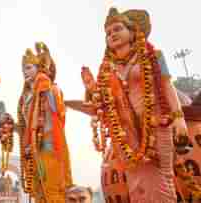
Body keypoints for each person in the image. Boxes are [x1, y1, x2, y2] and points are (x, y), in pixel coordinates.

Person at [79, 8, 188, 202]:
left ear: (132, 31)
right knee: (136, 185)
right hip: (125, 133)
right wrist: (91, 89)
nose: (112, 34)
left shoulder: (154, 56)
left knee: (160, 181)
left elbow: (167, 85)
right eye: (108, 33)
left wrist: (179, 120)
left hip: (156, 125)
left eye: (117, 29)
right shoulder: (107, 70)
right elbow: (102, 102)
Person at [0, 42, 73, 203]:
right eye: (23, 69)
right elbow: (25, 128)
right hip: (32, 151)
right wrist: (11, 126)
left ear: (39, 68)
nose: (25, 72)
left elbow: (58, 111)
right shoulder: (25, 98)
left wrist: (45, 85)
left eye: (29, 67)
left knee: (53, 192)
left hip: (49, 148)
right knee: (38, 194)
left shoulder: (52, 89)